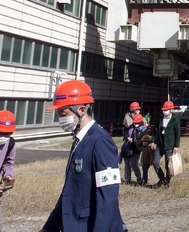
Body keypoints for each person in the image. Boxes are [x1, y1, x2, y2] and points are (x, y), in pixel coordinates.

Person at [40, 80, 124, 232]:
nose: (60, 119)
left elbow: (108, 196)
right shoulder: (80, 140)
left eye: (63, 113)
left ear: (82, 110)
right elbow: (69, 192)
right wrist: (49, 228)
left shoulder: (100, 141)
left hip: (90, 226)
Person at [150, 100, 181, 188]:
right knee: (155, 162)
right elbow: (155, 131)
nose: (164, 111)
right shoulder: (160, 119)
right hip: (160, 145)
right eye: (163, 110)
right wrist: (153, 141)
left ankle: (167, 182)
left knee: (168, 165)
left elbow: (177, 134)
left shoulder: (175, 120)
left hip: (169, 146)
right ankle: (162, 179)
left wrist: (176, 145)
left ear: (171, 110)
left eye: (166, 110)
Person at [0, 110, 16, 232]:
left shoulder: (10, 143)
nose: (4, 137)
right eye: (1, 133)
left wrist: (8, 175)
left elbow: (8, 163)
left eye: (8, 133)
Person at [121, 113, 145, 186]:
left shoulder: (144, 130)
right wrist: (127, 137)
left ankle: (139, 177)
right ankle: (127, 179)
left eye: (137, 123)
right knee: (127, 164)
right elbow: (125, 134)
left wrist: (135, 140)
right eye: (135, 123)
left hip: (136, 149)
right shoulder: (131, 127)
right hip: (128, 148)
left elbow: (143, 139)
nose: (136, 124)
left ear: (141, 122)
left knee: (133, 163)